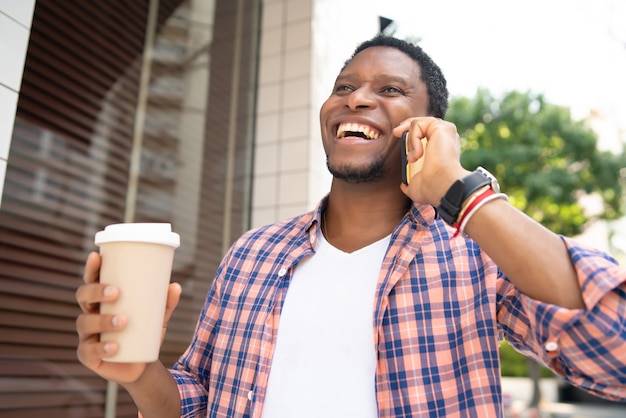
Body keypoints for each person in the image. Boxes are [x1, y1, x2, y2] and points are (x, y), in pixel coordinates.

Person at [76, 35, 626, 417]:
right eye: (343, 87)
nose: (356, 98)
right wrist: (139, 372)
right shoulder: (253, 252)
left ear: (427, 129)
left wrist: (460, 191)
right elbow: (192, 404)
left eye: (389, 91)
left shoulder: (474, 255)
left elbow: (616, 349)